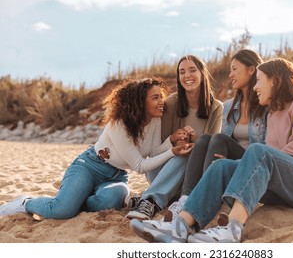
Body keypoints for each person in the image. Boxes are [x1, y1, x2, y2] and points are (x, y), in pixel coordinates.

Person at [130, 57, 293, 243]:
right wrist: (242, 166)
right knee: (221, 166)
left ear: (274, 81)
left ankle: (231, 229)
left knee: (258, 152)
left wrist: (249, 164)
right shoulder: (274, 111)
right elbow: (269, 159)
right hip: (281, 186)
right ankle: (180, 226)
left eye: (259, 81)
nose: (255, 87)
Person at [0, 77, 192, 219]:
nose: (162, 102)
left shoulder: (155, 120)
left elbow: (151, 152)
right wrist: (172, 152)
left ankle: (76, 199)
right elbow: (140, 166)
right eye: (156, 98)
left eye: (162, 97)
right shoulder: (120, 123)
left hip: (117, 175)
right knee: (62, 210)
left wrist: (171, 142)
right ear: (141, 102)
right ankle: (26, 202)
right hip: (90, 166)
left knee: (112, 200)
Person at [163, 49, 267, 222]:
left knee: (216, 138)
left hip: (251, 163)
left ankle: (202, 201)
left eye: (235, 69)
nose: (230, 74)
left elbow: (266, 149)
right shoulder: (229, 107)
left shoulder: (266, 105)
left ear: (251, 69)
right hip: (231, 162)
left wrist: (231, 161)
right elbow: (225, 141)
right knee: (204, 139)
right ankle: (185, 199)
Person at [125, 55, 223, 221]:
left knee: (189, 153)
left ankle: (149, 198)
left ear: (202, 74)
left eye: (192, 70)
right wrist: (173, 141)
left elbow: (211, 150)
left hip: (192, 178)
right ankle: (151, 199)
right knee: (182, 153)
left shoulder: (216, 108)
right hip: (161, 170)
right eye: (182, 72)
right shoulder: (171, 103)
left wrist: (195, 141)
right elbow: (156, 151)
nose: (187, 76)